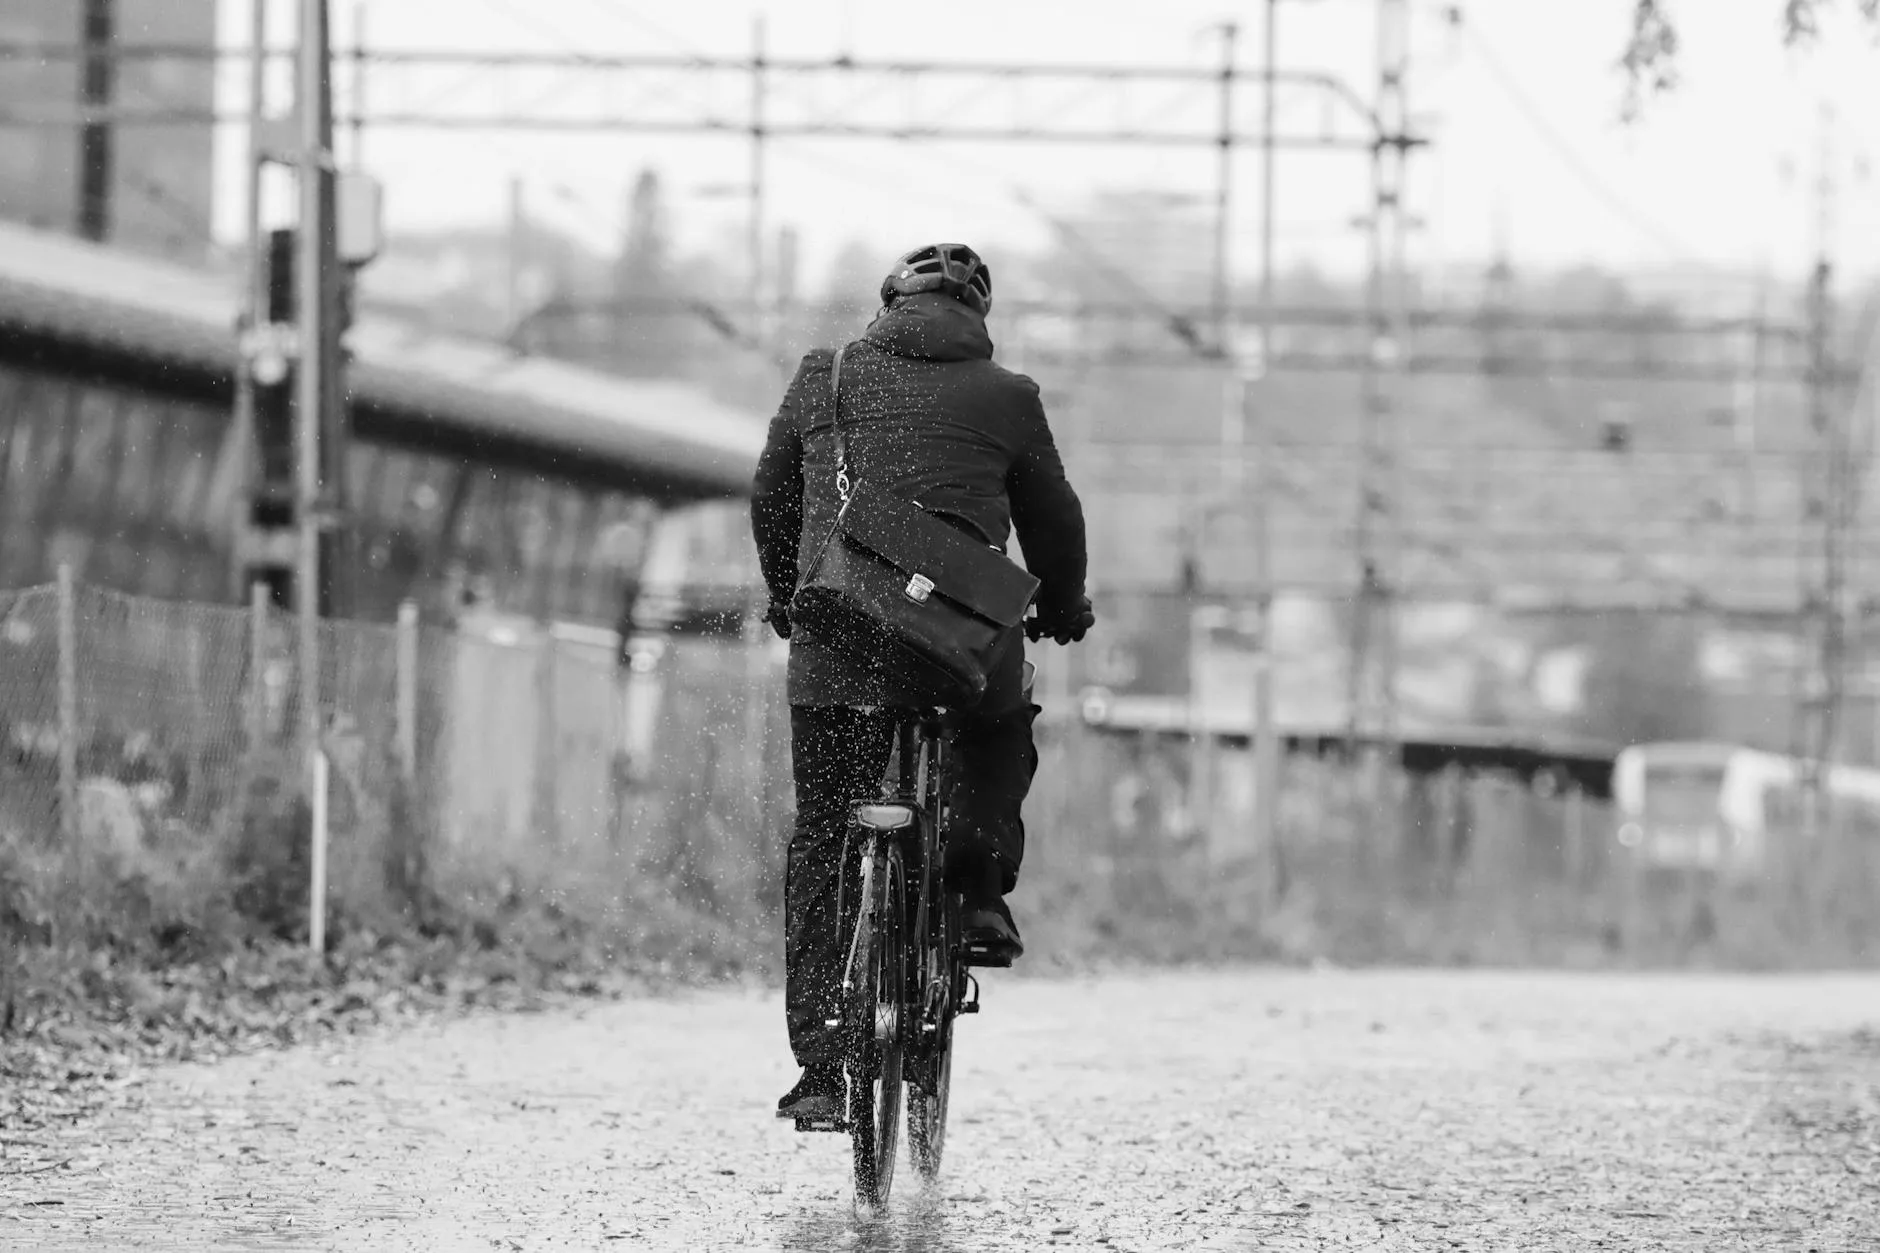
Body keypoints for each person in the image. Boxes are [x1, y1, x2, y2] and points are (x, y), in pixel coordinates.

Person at [750, 243, 1094, 1121]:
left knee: (827, 833)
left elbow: (770, 494)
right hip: (962, 646)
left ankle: (825, 1068)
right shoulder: (1008, 398)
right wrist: (1064, 604)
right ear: (978, 318)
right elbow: (1055, 520)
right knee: (998, 725)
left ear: (887, 304)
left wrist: (788, 595)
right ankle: (978, 897)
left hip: (840, 641)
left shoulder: (824, 376)